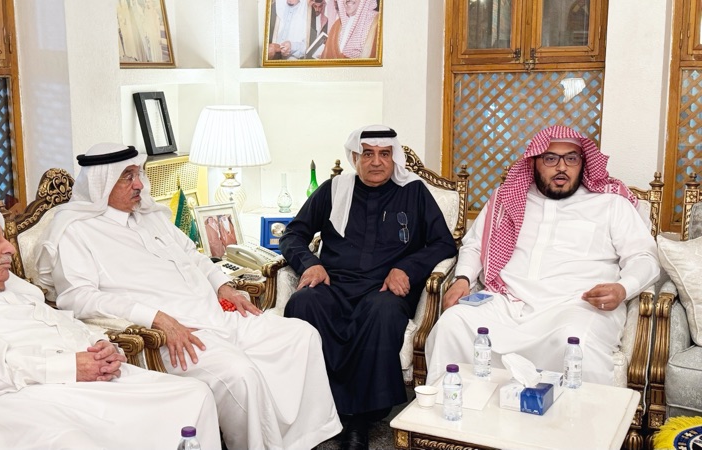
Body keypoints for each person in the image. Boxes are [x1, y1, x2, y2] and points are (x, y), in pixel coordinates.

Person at [36, 143, 341, 450]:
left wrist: (223, 286)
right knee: (241, 374)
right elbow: (80, 298)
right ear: (101, 183)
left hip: (217, 316)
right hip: (176, 337)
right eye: (128, 177)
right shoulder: (76, 231)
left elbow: (193, 256)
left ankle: (306, 440)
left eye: (138, 174)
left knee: (302, 336)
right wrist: (156, 318)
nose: (139, 184)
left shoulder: (149, 215)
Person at [0, 208, 220, 449]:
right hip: (20, 400)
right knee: (74, 442)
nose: (9, 248)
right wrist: (70, 367)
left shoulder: (20, 295)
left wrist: (106, 348)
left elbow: (71, 326)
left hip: (86, 381)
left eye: (5, 239)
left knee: (194, 394)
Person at [425, 125, 660, 386]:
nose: (562, 167)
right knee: (452, 324)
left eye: (571, 158)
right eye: (550, 158)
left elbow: (644, 257)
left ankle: (577, 414)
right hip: (510, 304)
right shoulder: (507, 199)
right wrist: (463, 279)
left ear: (583, 163)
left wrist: (622, 288)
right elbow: (474, 245)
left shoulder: (611, 204)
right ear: (534, 162)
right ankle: (451, 408)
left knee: (576, 343)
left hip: (577, 306)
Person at [279, 125, 458, 450]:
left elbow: (444, 243)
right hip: (334, 285)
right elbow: (292, 234)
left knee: (381, 312)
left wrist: (406, 268)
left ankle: (358, 419)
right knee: (304, 303)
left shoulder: (414, 191)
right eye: (368, 154)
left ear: (394, 157)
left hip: (383, 290)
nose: (376, 162)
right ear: (355, 158)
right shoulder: (333, 189)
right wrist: (310, 264)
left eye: (384, 154)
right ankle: (318, 407)